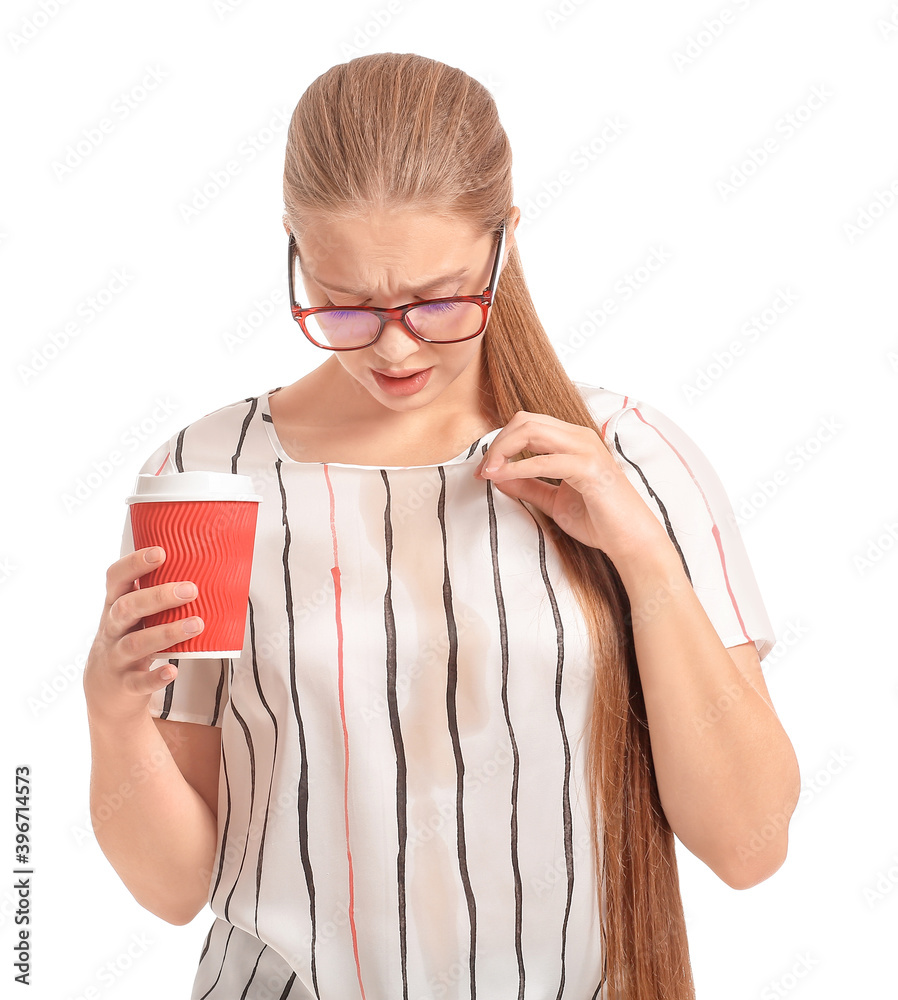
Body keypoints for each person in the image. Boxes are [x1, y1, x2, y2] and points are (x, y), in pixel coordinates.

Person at [83, 52, 800, 1000]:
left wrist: (640, 554)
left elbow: (750, 846)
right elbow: (174, 888)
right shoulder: (208, 476)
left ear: (505, 239)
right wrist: (110, 709)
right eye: (344, 302)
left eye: (437, 297)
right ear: (294, 246)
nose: (393, 345)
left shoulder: (629, 456)